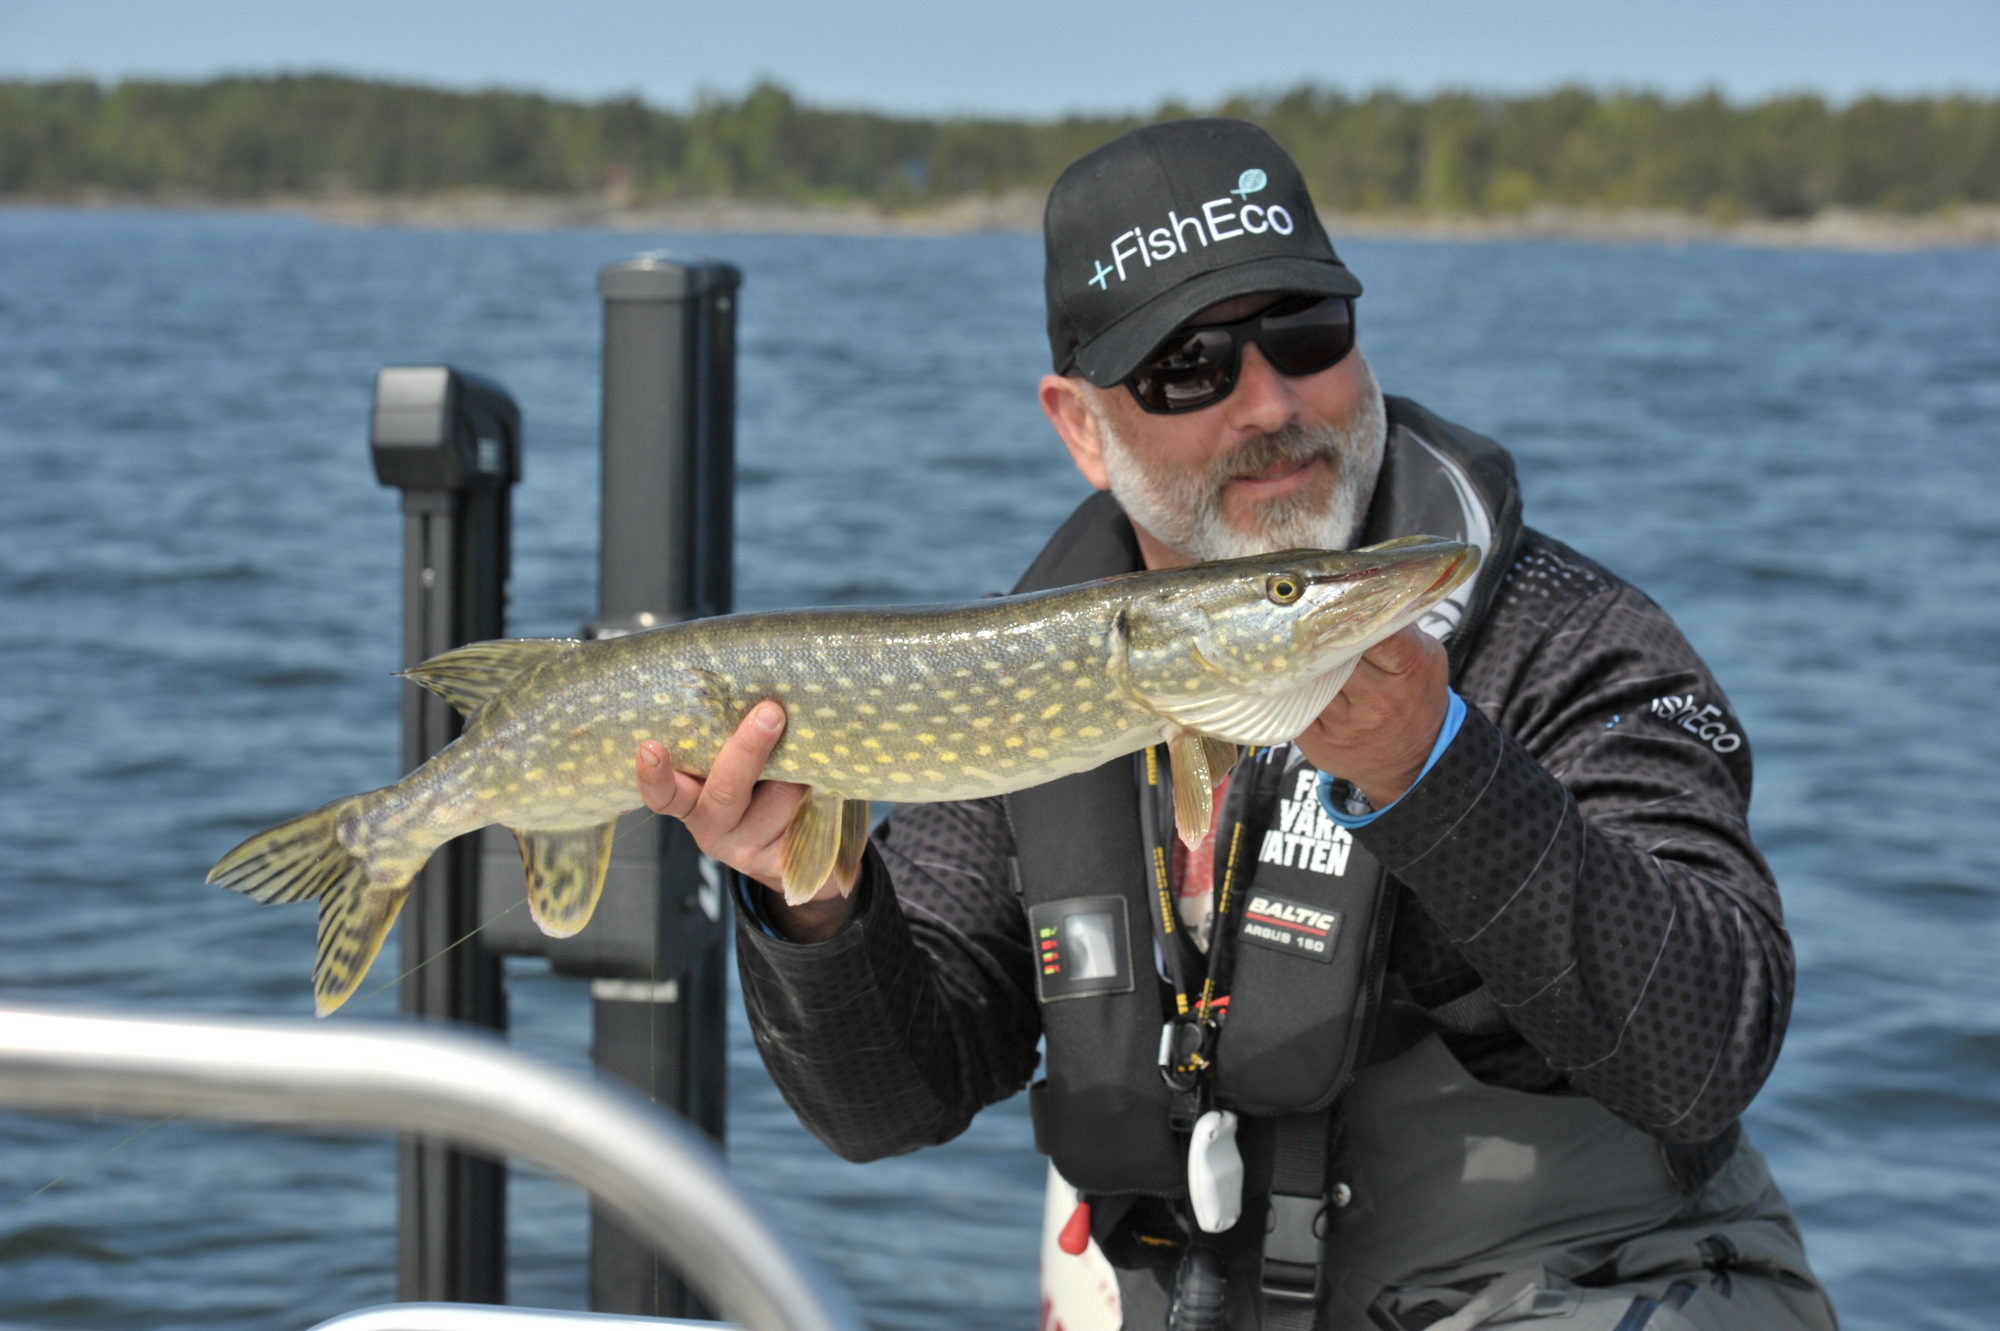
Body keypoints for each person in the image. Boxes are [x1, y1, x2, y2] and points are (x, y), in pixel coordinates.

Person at [635, 119, 1839, 1331]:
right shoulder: (1023, 671)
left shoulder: (1560, 632)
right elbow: (888, 1101)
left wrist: (1431, 770)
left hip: (1597, 1287)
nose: (1268, 401)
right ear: (1079, 425)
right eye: (1186, 367)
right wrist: (813, 895)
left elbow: (1711, 1043)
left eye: (1306, 332)